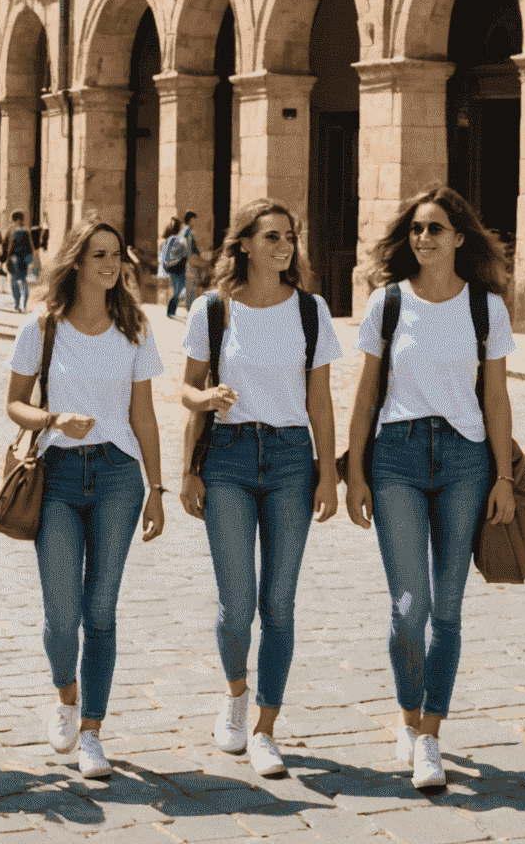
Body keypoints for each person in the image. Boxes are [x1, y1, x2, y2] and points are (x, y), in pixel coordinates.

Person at [344, 184, 517, 793]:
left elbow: (495, 396)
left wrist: (503, 476)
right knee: (408, 605)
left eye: (436, 229)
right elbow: (365, 394)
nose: (423, 238)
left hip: (466, 459)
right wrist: (355, 472)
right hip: (396, 457)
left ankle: (430, 735)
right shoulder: (386, 303)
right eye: (416, 229)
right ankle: (407, 708)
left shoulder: (485, 308)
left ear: (460, 238)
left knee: (447, 605)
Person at [179, 199, 340, 779]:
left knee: (279, 602)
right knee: (236, 601)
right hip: (227, 457)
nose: (283, 246)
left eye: (289, 237)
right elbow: (187, 392)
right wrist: (189, 462)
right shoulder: (213, 309)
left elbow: (319, 398)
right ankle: (235, 693)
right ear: (243, 244)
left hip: (294, 459)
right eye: (271, 236)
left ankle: (267, 727)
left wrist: (329, 473)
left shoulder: (311, 311)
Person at [6, 219, 165, 781]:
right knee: (60, 613)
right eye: (97, 254)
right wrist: (53, 420)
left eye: (115, 255)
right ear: (75, 261)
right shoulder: (42, 328)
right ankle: (66, 698)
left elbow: (143, 414)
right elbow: (14, 406)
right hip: (56, 476)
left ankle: (93, 731)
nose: (107, 264)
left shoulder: (133, 329)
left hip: (119, 476)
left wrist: (157, 488)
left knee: (100, 611)